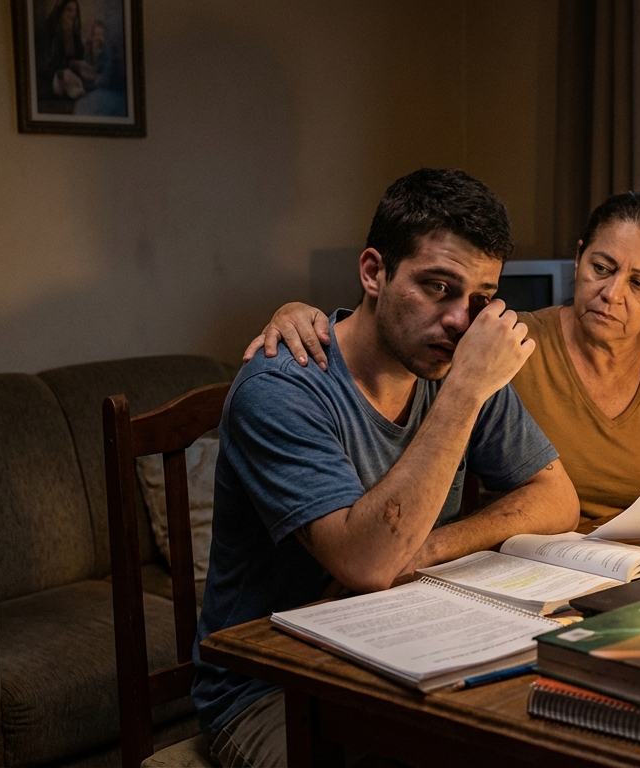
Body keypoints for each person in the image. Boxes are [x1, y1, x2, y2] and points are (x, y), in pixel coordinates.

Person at [196, 168, 579, 768]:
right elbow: (368, 563)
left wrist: (423, 552)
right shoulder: (283, 386)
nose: (460, 320)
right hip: (272, 687)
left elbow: (556, 499)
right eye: (436, 287)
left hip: (405, 648)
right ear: (374, 272)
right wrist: (465, 391)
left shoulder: (457, 362)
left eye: (478, 298)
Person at [247, 192, 640, 547]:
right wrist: (296, 311)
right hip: (553, 565)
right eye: (602, 268)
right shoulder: (499, 343)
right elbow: (377, 329)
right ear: (579, 258)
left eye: (639, 284)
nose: (611, 294)